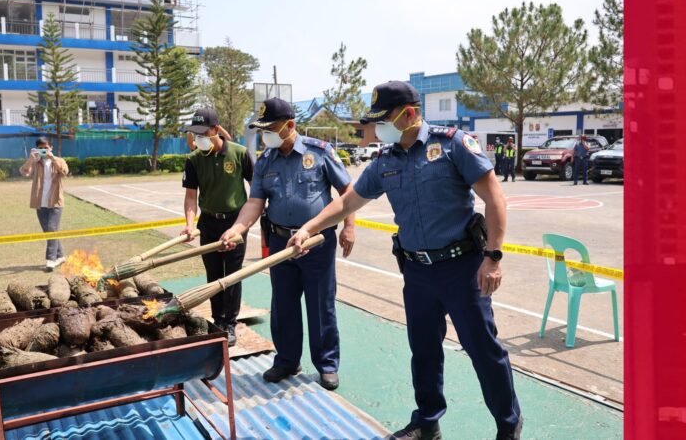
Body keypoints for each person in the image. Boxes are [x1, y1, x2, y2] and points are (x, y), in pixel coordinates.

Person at [287, 81, 522, 440]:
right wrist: (308, 227)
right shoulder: (385, 161)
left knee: (482, 348)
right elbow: (348, 202)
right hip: (417, 272)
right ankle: (427, 422)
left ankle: (508, 424)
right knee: (424, 350)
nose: (378, 129)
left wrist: (493, 257)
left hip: (463, 268)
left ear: (410, 114)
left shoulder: (453, 145)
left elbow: (494, 198)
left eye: (385, 120)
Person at [219, 97, 356, 391]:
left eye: (270, 128)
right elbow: (255, 202)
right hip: (281, 242)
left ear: (290, 125)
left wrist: (349, 226)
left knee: (321, 305)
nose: (265, 134)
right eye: (263, 129)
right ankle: (286, 361)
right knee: (283, 304)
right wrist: (236, 229)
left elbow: (347, 191)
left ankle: (327, 364)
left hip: (318, 242)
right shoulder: (266, 160)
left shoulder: (320, 152)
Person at [181, 108, 253, 346]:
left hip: (235, 221)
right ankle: (217, 319)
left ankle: (230, 323)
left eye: (203, 133)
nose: (198, 138)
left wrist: (245, 223)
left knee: (232, 275)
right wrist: (190, 225)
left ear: (215, 130)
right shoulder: (193, 160)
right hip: (208, 223)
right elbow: (191, 197)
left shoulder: (240, 154)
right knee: (213, 274)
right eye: (195, 133)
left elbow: (257, 191)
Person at [19, 137, 70, 272]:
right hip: (40, 202)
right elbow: (24, 172)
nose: (43, 150)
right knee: (48, 231)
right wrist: (30, 159)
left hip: (55, 201)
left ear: (51, 148)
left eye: (46, 148)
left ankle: (50, 260)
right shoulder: (36, 162)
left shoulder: (58, 160)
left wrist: (52, 158)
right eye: (41, 148)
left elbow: (64, 172)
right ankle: (61, 256)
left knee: (52, 228)